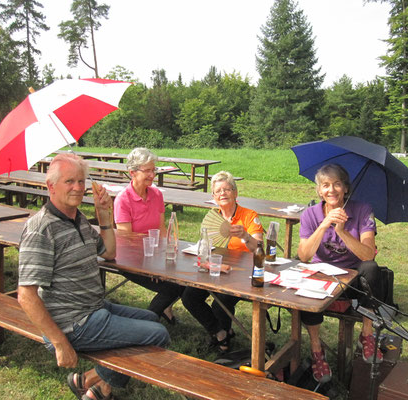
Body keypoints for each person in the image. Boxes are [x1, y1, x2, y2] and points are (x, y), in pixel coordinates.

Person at [18, 153, 170, 400]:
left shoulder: (76, 219)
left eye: (81, 181)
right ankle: (100, 388)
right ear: (50, 186)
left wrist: (103, 214)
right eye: (69, 182)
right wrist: (60, 344)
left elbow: (109, 252)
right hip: (73, 323)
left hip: (94, 307)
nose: (78, 188)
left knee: (152, 317)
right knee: (158, 334)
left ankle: (88, 379)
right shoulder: (41, 229)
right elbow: (26, 295)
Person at [297, 163, 383, 384]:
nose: (331, 190)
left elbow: (368, 255)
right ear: (319, 191)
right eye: (325, 185)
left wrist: (342, 232)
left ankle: (367, 334)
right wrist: (324, 225)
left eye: (337, 184)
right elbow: (304, 255)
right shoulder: (310, 214)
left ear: (345, 188)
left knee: (372, 269)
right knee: (304, 280)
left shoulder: (363, 210)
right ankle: (317, 350)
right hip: (323, 278)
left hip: (352, 279)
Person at [181, 171, 264, 352]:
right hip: (216, 267)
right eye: (218, 191)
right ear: (213, 196)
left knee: (221, 300)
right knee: (189, 297)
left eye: (227, 189)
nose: (223, 194)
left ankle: (224, 341)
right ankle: (220, 332)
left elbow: (259, 249)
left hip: (241, 272)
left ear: (235, 192)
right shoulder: (214, 216)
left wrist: (245, 235)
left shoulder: (249, 215)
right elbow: (206, 246)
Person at [114, 147, 184, 324]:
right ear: (132, 173)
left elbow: (161, 228)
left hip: (155, 254)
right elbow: (125, 240)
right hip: (131, 259)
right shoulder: (123, 200)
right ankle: (147, 321)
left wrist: (163, 259)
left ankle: (163, 309)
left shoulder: (157, 194)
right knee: (173, 287)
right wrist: (151, 266)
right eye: (147, 171)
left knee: (186, 279)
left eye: (154, 169)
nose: (152, 175)